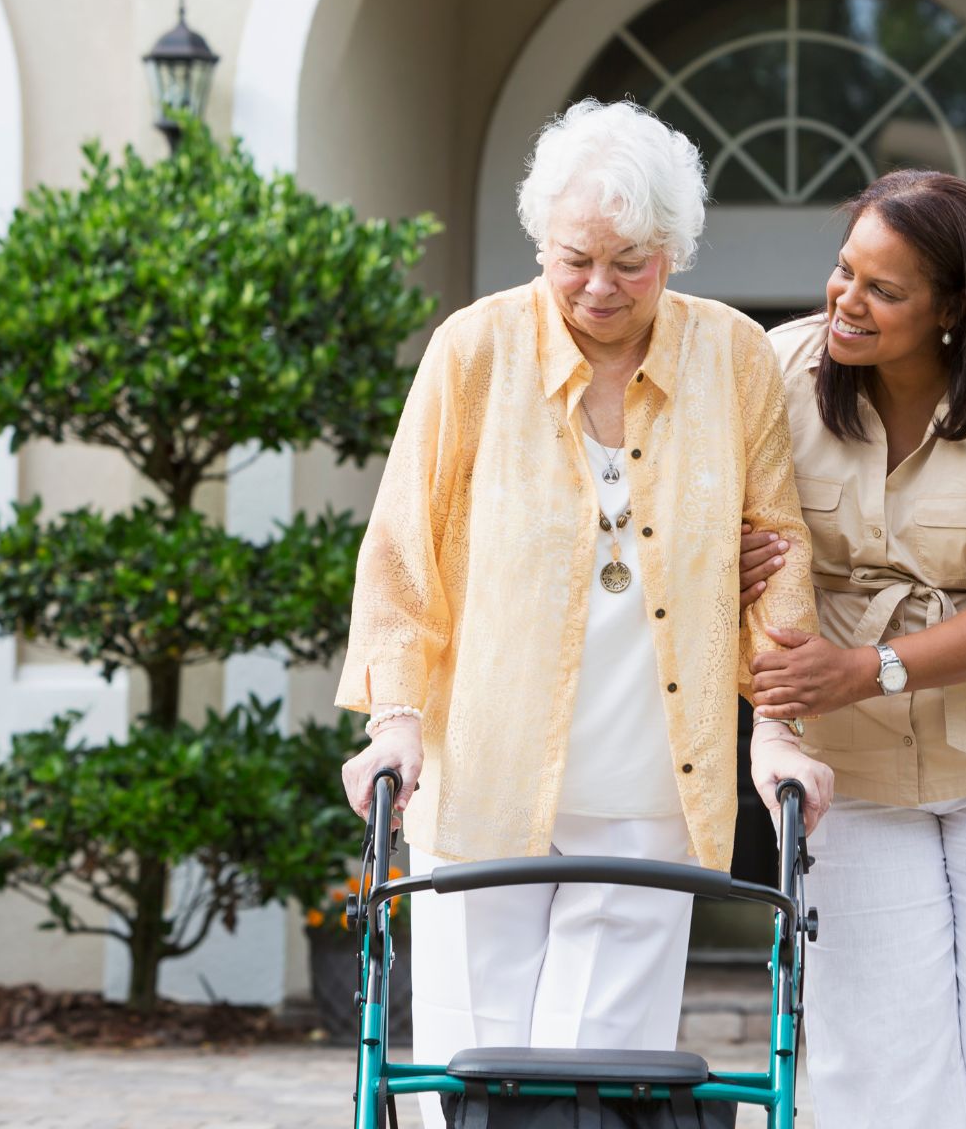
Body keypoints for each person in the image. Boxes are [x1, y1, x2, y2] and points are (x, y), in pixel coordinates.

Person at [332, 98, 832, 1126]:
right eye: (574, 259)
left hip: (650, 791)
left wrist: (776, 729)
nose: (599, 287)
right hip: (481, 785)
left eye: (632, 261)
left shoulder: (732, 360)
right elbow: (399, 554)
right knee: (471, 1081)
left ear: (675, 250)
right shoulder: (472, 351)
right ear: (539, 239)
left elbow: (777, 551)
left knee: (600, 1088)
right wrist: (393, 721)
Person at [743, 169, 966, 1128]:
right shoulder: (777, 372)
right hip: (850, 772)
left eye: (884, 290)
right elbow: (706, 520)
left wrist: (867, 668)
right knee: (880, 1063)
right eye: (843, 270)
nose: (845, 302)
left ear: (952, 306)